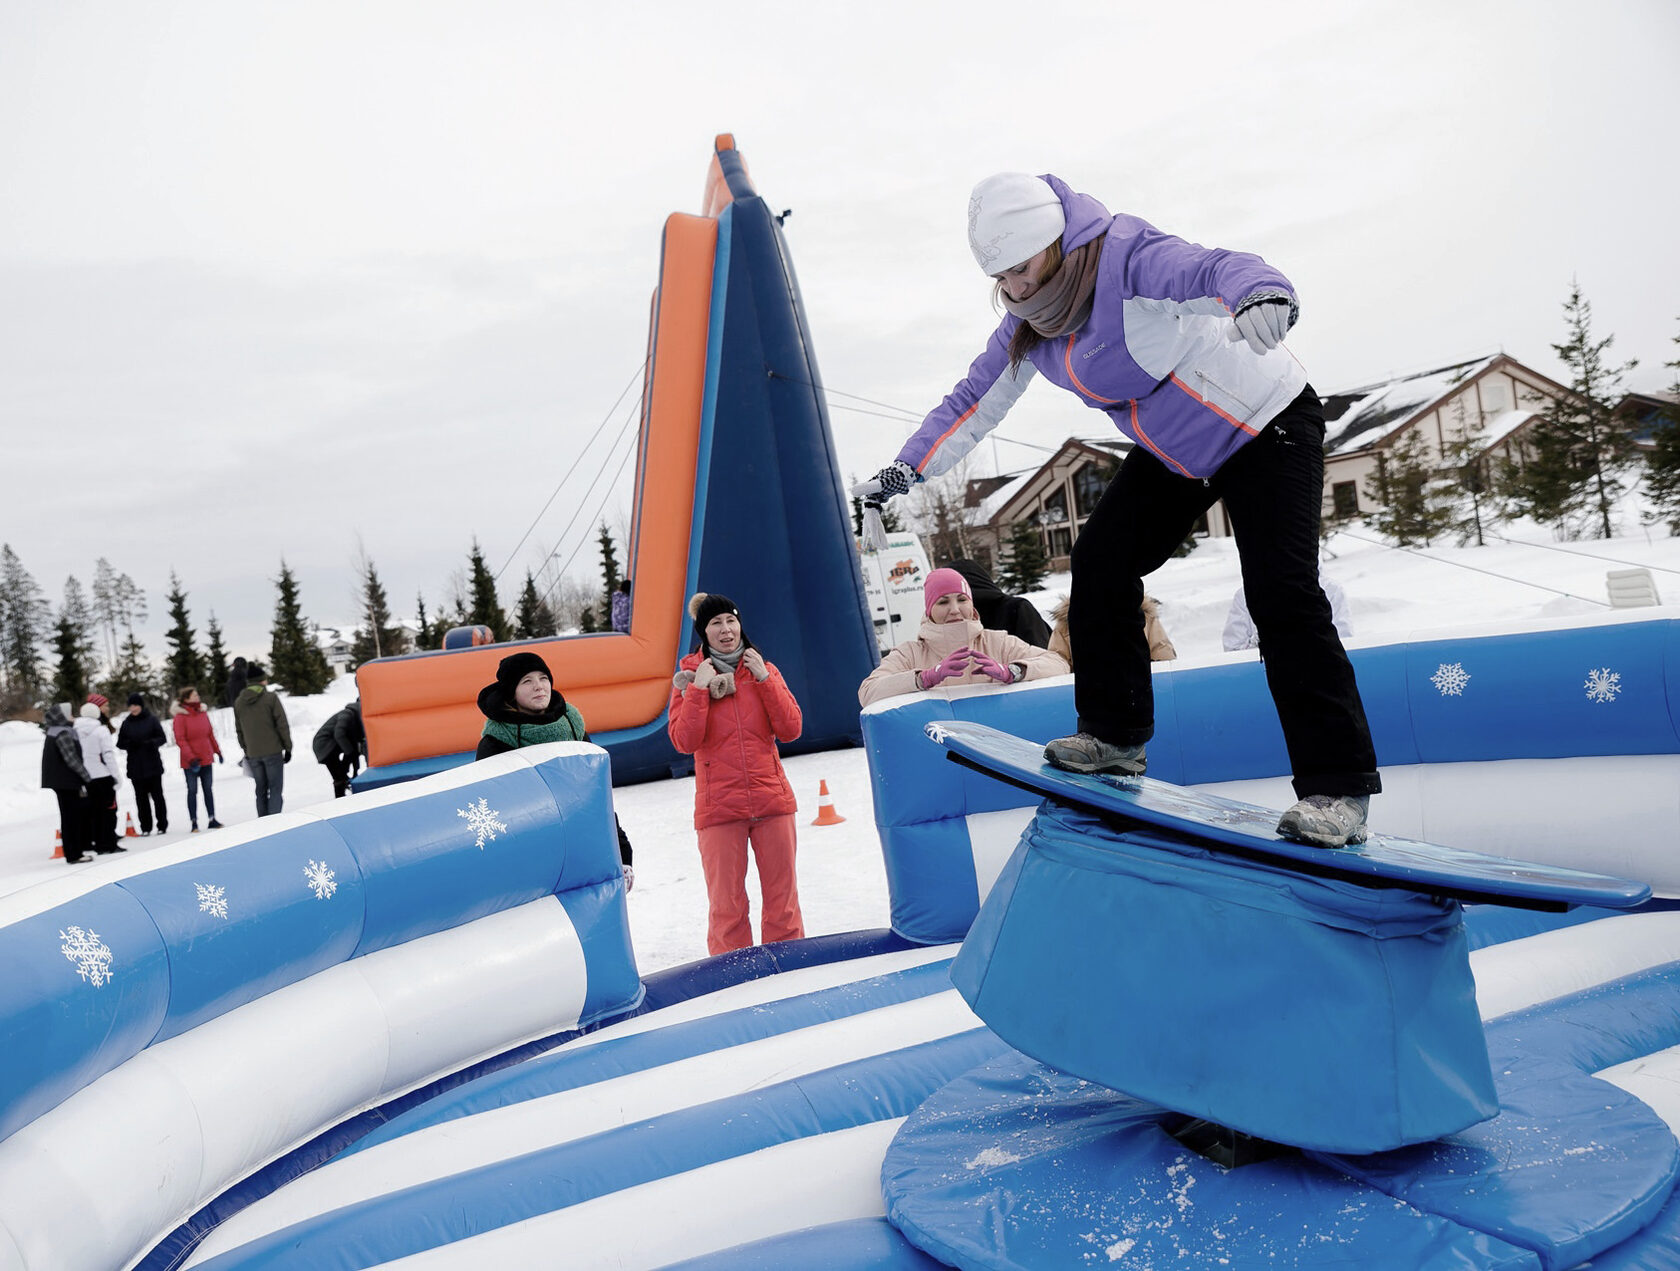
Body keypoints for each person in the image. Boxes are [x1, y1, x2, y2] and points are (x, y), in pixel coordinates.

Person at [855, 172, 1380, 847]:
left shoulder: (1126, 258)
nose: (1015, 289)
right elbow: (969, 404)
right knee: (1101, 560)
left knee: (1280, 594)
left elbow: (1215, 267)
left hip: (1266, 421)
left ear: (1053, 245)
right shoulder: (1027, 329)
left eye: (1021, 269)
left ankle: (1337, 788)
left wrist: (1262, 292)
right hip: (1181, 452)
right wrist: (907, 467)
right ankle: (1113, 735)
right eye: (1001, 278)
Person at [668, 593, 803, 955]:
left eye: (731, 620)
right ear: (703, 632)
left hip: (771, 800)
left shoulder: (764, 669)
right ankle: (731, 983)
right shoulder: (689, 678)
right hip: (719, 810)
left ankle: (789, 973)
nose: (726, 629)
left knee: (783, 903)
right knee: (726, 908)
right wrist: (698, 691)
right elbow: (684, 740)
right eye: (716, 623)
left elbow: (791, 729)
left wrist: (764, 680)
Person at [476, 651, 635, 888]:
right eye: (527, 681)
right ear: (512, 691)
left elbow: (596, 795)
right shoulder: (496, 741)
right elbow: (491, 812)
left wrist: (621, 852)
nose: (539, 687)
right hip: (533, 859)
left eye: (543, 678)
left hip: (584, 847)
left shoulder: (573, 725)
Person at [859, 567, 1069, 707]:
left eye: (962, 599)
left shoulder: (997, 642)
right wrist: (924, 678)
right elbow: (868, 692)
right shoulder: (910, 653)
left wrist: (1013, 671)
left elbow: (1058, 663)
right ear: (929, 610)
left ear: (972, 604)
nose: (955, 610)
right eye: (942, 602)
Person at [1224, 574, 1351, 652]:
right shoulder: (1246, 594)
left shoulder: (1331, 590)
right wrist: (1262, 639)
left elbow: (1344, 641)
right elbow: (1233, 651)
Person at [945, 558, 1052, 647]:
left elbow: (1044, 657)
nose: (954, 608)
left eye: (962, 599)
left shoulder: (1016, 609)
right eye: (944, 601)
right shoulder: (952, 620)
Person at [1048, 595, 1176, 667]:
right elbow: (1058, 662)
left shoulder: (1143, 616)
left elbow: (1163, 656)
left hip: (1136, 693)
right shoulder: (1066, 623)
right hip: (1090, 699)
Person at [233, 662, 291, 817]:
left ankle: (263, 821)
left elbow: (239, 730)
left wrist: (246, 749)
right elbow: (282, 724)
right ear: (262, 680)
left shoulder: (239, 702)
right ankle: (275, 821)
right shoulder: (270, 698)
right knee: (275, 788)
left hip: (253, 753)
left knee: (260, 789)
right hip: (273, 750)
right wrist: (288, 747)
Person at [41, 704, 95, 864]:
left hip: (61, 781)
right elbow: (71, 758)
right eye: (70, 713)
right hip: (66, 781)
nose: (73, 716)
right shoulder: (63, 732)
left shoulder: (54, 731)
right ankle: (74, 853)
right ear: (63, 716)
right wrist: (87, 777)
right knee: (71, 817)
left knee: (68, 816)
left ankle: (73, 851)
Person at [74, 695, 125, 854]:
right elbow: (108, 755)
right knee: (109, 810)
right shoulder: (100, 730)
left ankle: (97, 842)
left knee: (94, 811)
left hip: (86, 776)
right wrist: (116, 776)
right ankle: (109, 843)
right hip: (102, 775)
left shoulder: (75, 730)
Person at [172, 686, 225, 831]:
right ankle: (194, 822)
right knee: (192, 790)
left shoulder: (202, 713)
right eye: (193, 696)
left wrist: (217, 751)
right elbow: (180, 739)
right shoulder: (180, 717)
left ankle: (212, 818)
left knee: (208, 788)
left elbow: (210, 734)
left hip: (206, 757)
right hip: (191, 762)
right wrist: (191, 757)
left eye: (197, 695)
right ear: (185, 699)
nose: (197, 697)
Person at [117, 692, 170, 835]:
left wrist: (150, 743)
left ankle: (162, 825)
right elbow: (120, 743)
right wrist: (130, 744)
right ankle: (145, 827)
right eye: (130, 706)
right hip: (136, 767)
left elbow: (162, 738)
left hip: (152, 765)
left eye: (135, 705)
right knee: (141, 799)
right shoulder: (126, 723)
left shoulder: (151, 719)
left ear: (140, 706)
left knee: (158, 797)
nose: (132, 709)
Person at [312, 700, 366, 798]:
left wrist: (355, 770)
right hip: (324, 746)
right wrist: (349, 752)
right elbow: (339, 734)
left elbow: (354, 749)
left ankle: (347, 787)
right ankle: (340, 800)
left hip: (332, 746)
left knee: (344, 769)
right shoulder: (347, 714)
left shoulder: (356, 721)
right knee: (339, 777)